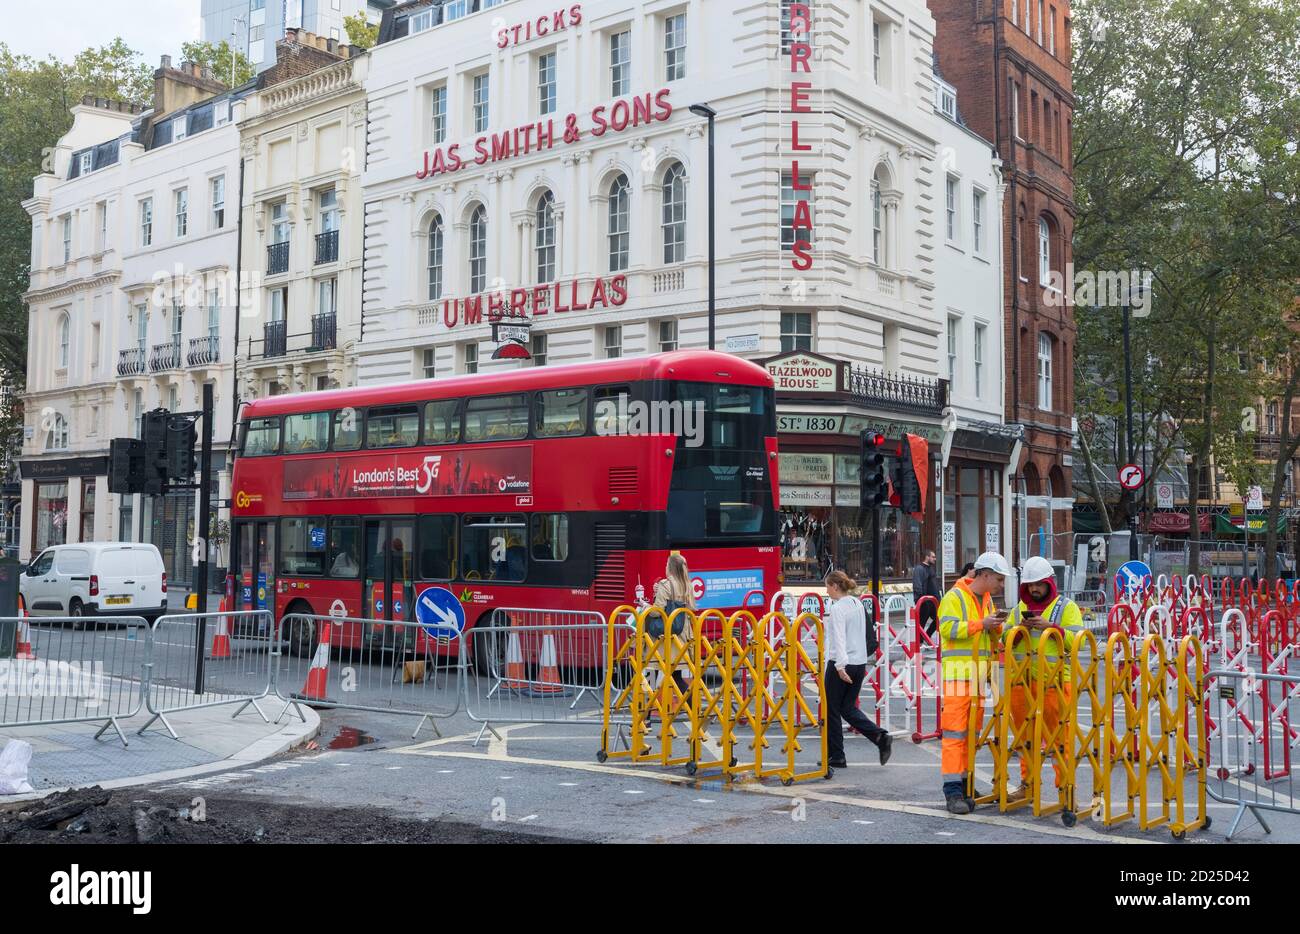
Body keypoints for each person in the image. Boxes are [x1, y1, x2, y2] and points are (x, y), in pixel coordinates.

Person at [1006, 556, 1084, 802]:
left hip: (1056, 683)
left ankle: (1065, 790)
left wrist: (1050, 627)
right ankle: (1027, 786)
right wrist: (1020, 629)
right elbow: (1004, 640)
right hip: (1021, 682)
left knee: (1060, 740)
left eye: (1038, 584)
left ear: (1049, 583)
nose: (1034, 589)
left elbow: (1077, 641)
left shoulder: (1066, 607)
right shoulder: (1019, 609)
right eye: (1030, 585)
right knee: (1023, 739)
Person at [937, 551, 1010, 814]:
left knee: (971, 735)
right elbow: (947, 629)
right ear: (985, 574)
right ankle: (953, 792)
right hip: (958, 675)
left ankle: (965, 785)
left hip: (979, 677)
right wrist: (982, 623)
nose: (1001, 585)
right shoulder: (954, 597)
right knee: (955, 735)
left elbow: (988, 636)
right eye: (999, 579)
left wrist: (996, 626)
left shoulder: (987, 599)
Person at [823, 570, 893, 770]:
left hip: (841, 663)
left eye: (827, 586)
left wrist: (839, 666)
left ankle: (837, 756)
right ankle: (880, 737)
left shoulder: (837, 609)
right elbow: (865, 634)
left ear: (835, 586)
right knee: (848, 708)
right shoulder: (857, 603)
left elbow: (839, 639)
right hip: (859, 662)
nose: (826, 591)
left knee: (833, 710)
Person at [912, 549, 940, 634]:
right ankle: (920, 641)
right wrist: (921, 599)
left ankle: (926, 636)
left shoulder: (931, 568)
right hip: (924, 601)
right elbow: (917, 584)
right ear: (927, 557)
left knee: (939, 619)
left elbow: (934, 584)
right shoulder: (919, 568)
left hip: (933, 600)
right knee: (921, 623)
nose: (935, 559)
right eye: (933, 557)